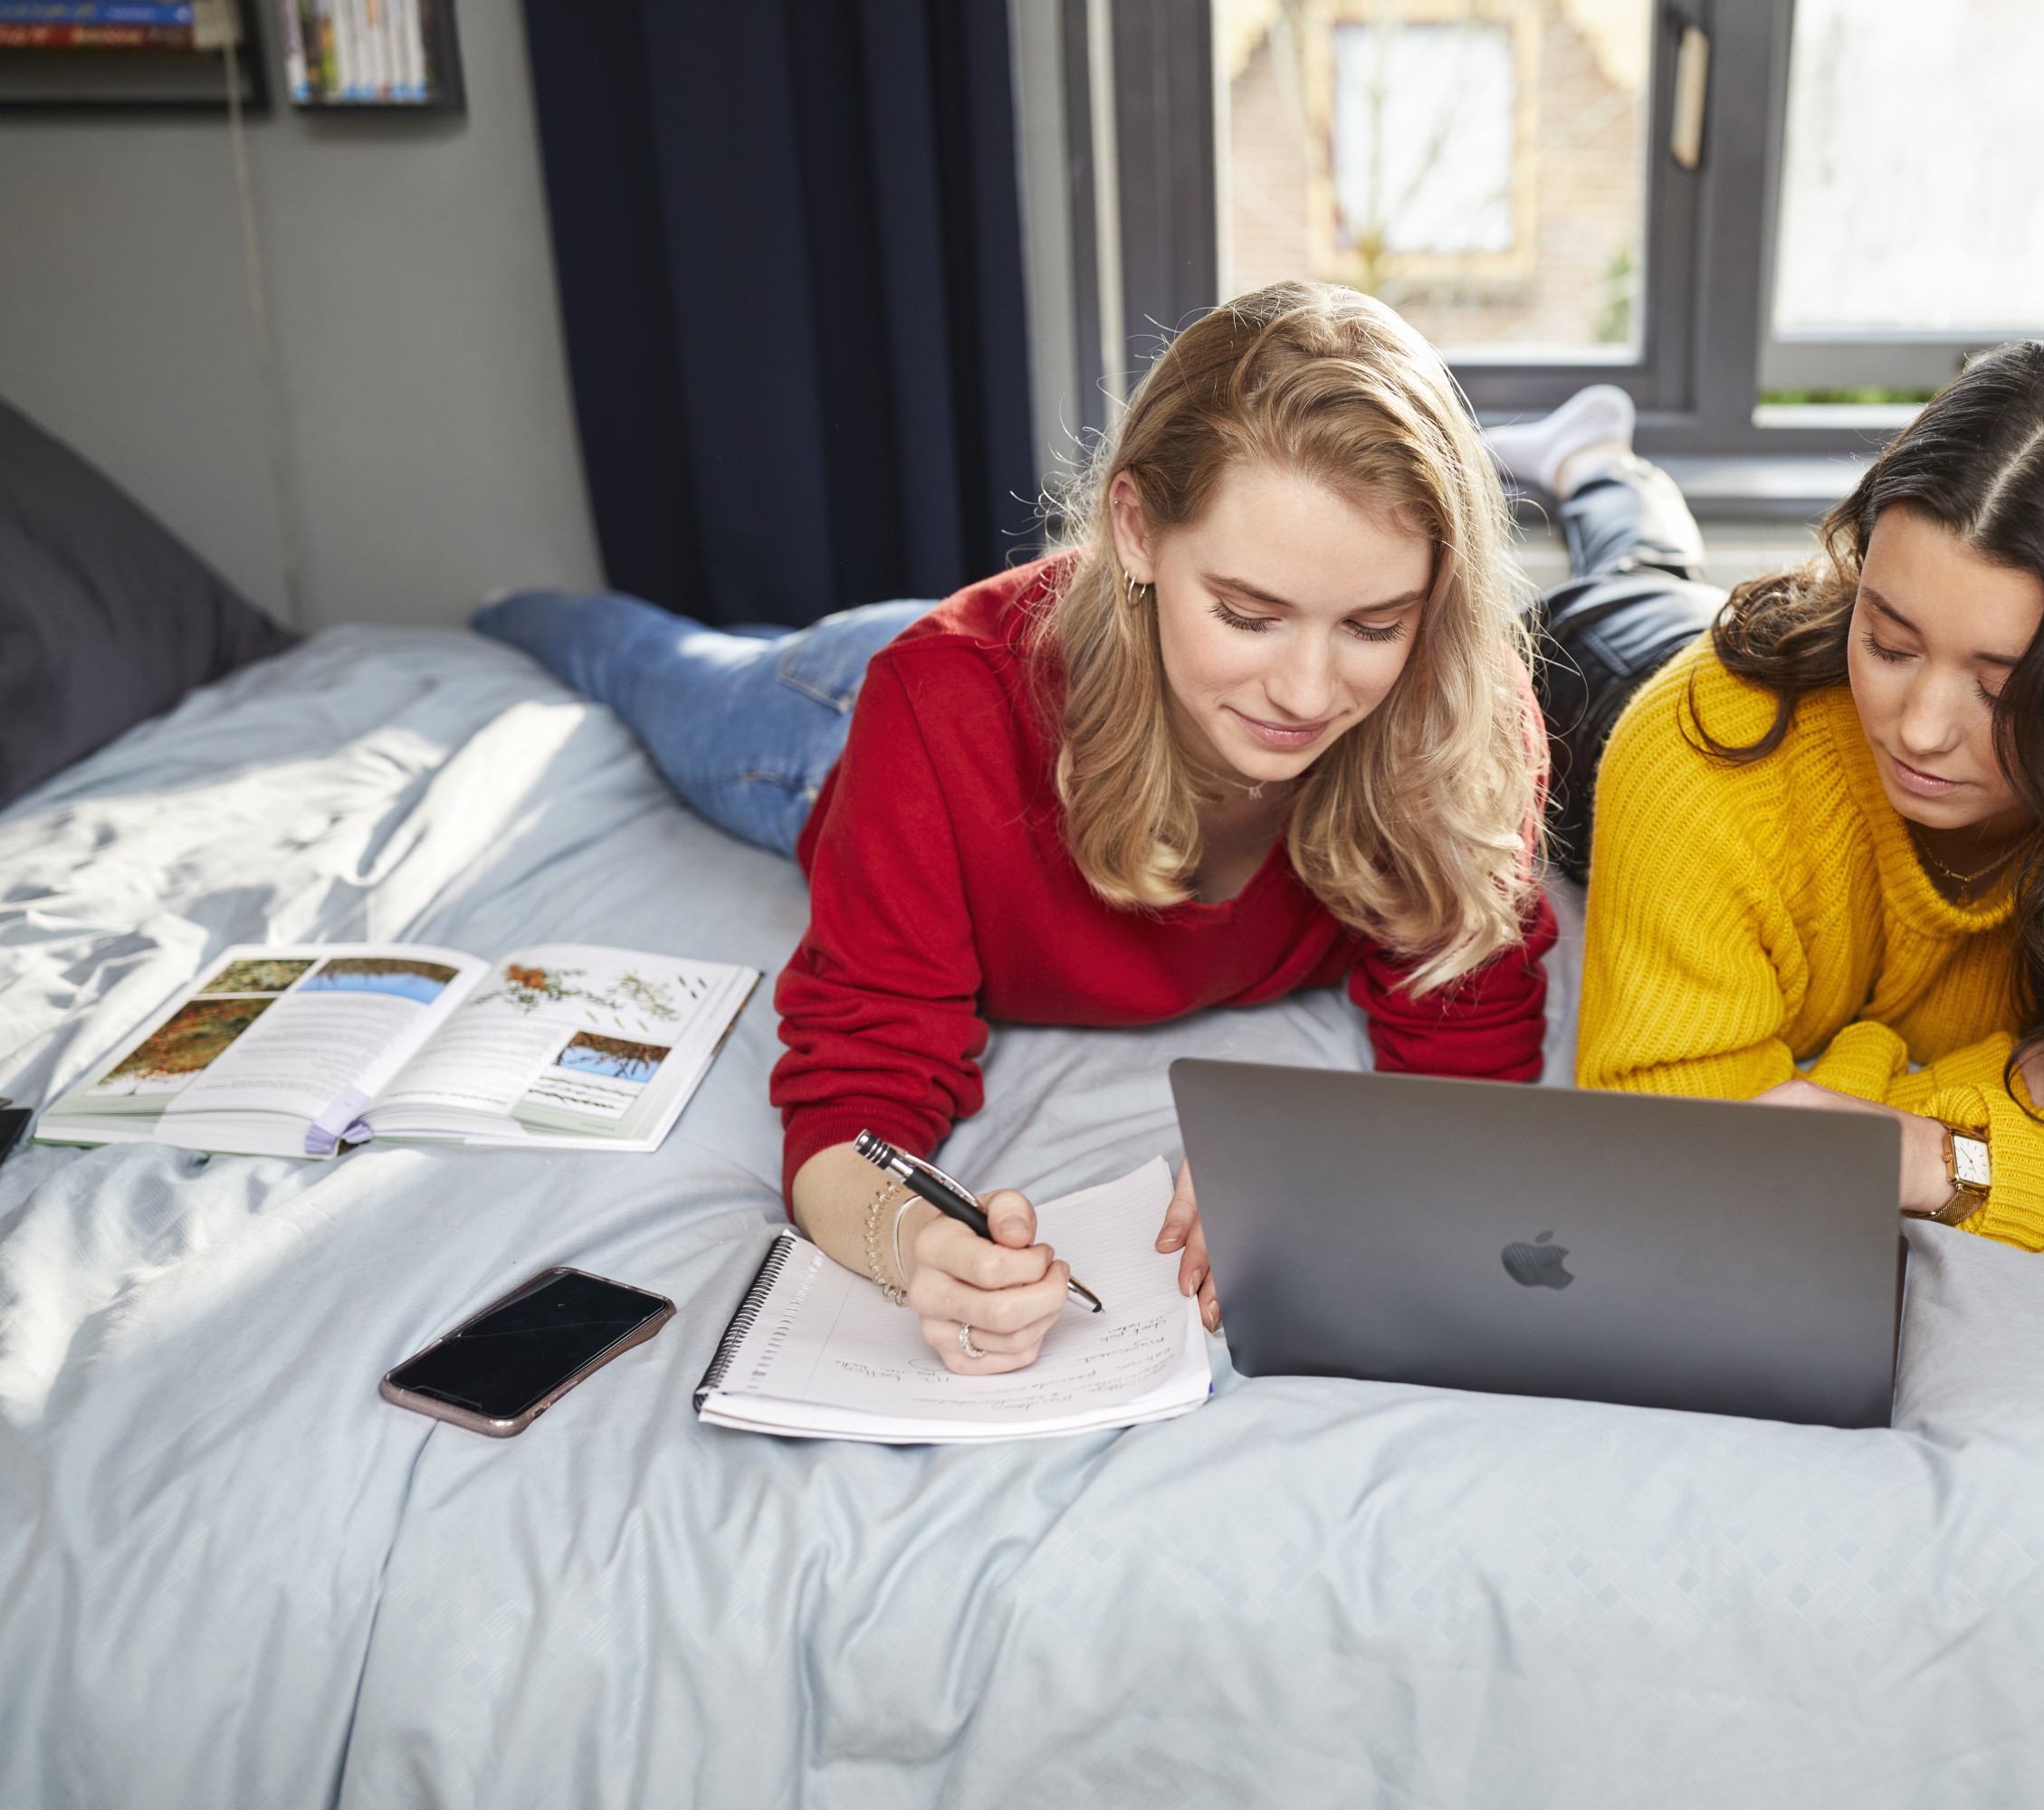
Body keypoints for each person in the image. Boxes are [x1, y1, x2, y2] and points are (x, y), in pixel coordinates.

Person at [477, 282, 1557, 1373]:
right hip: (824, 727)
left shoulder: (1457, 716)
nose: (1308, 691)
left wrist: (1343, 1167)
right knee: (650, 664)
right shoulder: (939, 711)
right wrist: (912, 1240)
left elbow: (1471, 1054)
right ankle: (519, 602)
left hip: (1023, 660)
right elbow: (853, 1090)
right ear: (1135, 530)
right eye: (1247, 613)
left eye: (1374, 624)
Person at [1554, 340, 2044, 1250]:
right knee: (1631, 581)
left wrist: (1932, 1152)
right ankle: (1597, 469)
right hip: (1601, 679)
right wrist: (1993, 1078)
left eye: (2004, 685)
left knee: (1656, 568)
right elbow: (1696, 1161)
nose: (1922, 728)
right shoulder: (1694, 752)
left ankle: (1601, 467)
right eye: (1889, 642)